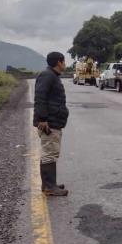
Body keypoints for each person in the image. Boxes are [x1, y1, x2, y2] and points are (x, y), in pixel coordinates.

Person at [34, 52, 70, 197]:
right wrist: (42, 119)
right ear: (59, 62)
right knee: (49, 153)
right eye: (64, 61)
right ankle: (50, 187)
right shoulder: (47, 76)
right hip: (49, 123)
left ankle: (49, 184)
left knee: (51, 152)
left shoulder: (51, 76)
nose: (65, 64)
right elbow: (40, 97)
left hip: (54, 122)